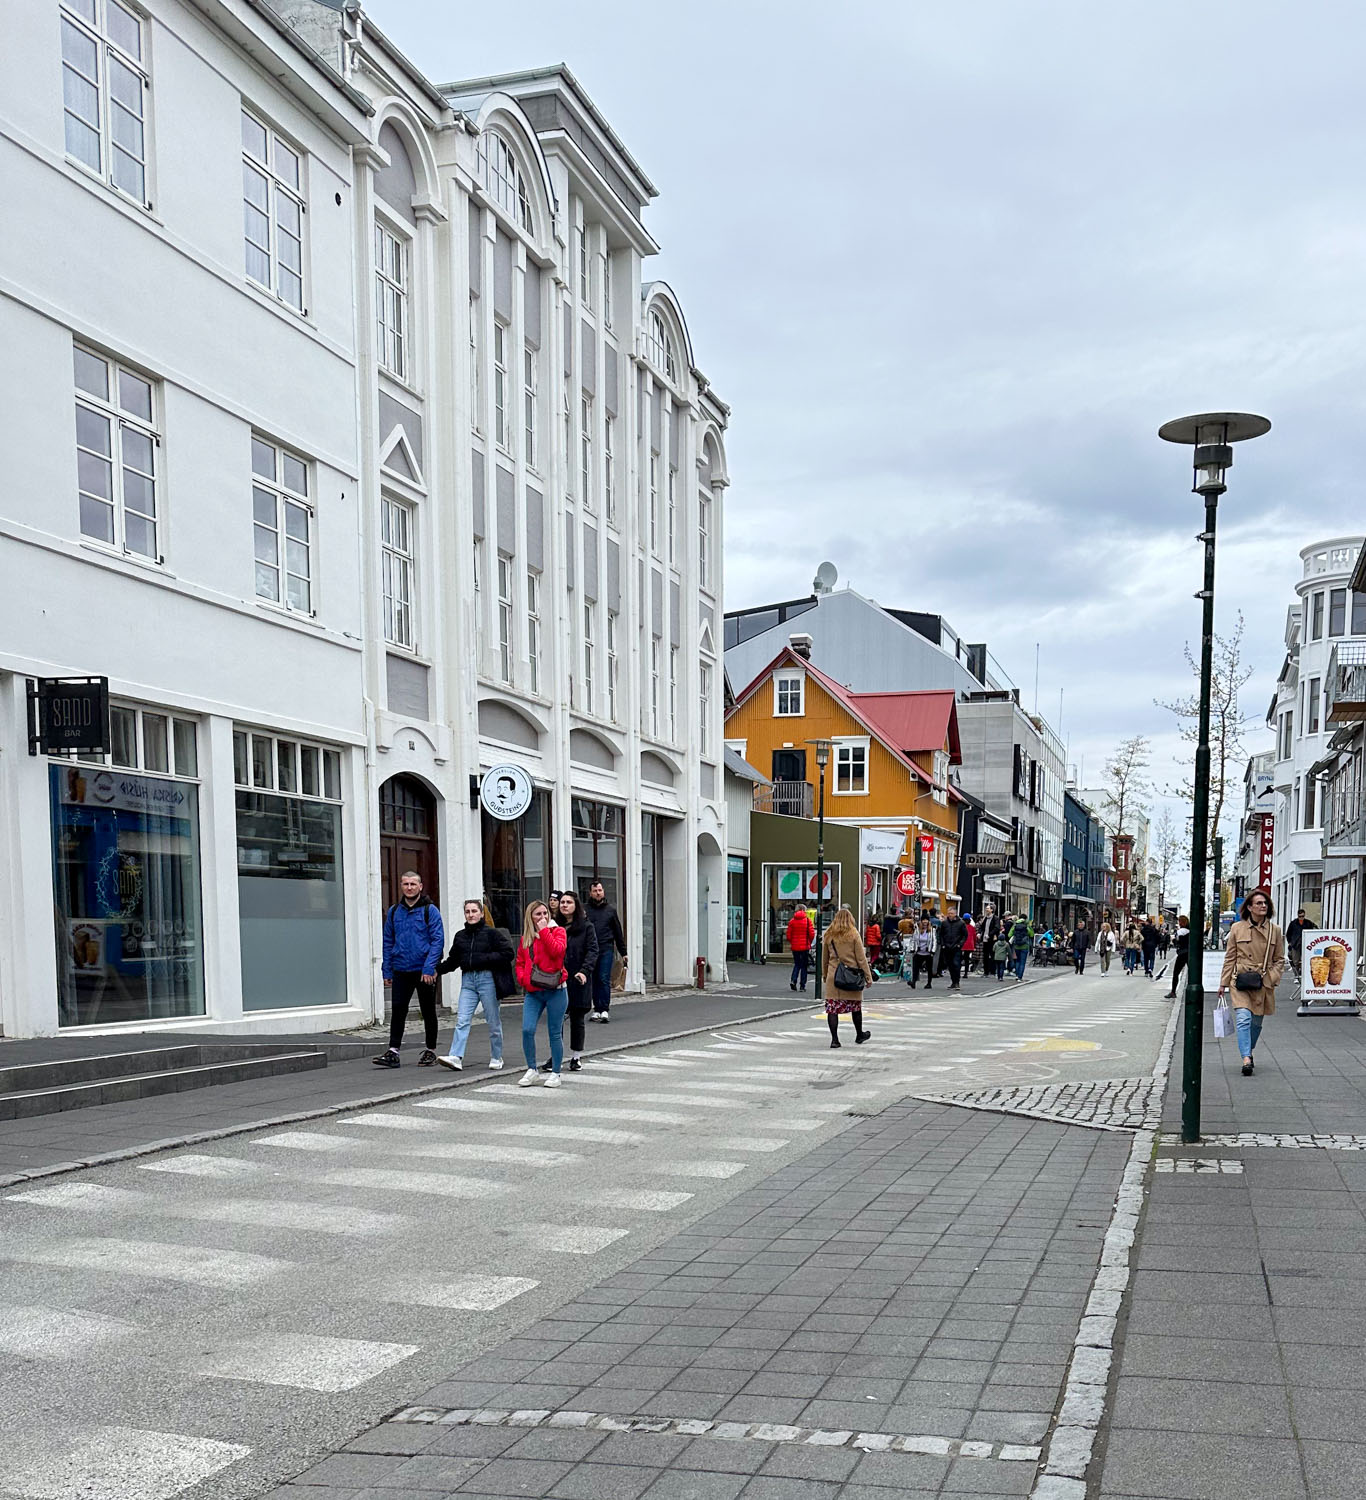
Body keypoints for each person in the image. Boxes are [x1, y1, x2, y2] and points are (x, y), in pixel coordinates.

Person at [374, 871, 445, 1068]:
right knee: (398, 1010)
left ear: (420, 886)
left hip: (424, 971)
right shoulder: (395, 911)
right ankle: (393, 1052)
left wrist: (430, 967)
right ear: (401, 886)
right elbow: (388, 941)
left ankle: (430, 1050)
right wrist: (386, 970)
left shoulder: (430, 911)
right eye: (405, 884)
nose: (409, 887)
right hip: (401, 969)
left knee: (428, 1011)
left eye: (413, 884)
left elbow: (438, 940)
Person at [437, 899, 514, 1071]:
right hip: (468, 981)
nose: (471, 915)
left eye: (474, 911)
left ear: (481, 913)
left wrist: (485, 959)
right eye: (467, 912)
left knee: (493, 1021)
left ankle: (496, 1056)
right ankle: (456, 1056)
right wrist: (437, 970)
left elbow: (508, 953)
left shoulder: (492, 934)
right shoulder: (460, 936)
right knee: (462, 1020)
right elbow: (453, 961)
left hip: (488, 979)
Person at [1218, 887, 1285, 1076]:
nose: (1263, 906)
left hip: (1262, 983)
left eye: (1265, 903)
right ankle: (1246, 1058)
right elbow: (1230, 957)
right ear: (1249, 907)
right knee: (1243, 1019)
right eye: (1258, 903)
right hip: (1239, 981)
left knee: (1255, 1023)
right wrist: (1223, 983)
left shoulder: (1275, 930)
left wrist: (1271, 978)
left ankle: (1249, 1050)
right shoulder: (1237, 928)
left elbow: (1280, 959)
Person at [541, 891, 598, 1074]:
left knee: (577, 1018)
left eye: (568, 902)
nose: (564, 905)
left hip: (577, 977)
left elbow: (592, 951)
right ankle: (555, 1056)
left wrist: (585, 971)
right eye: (562, 902)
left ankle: (576, 1057)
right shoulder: (553, 926)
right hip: (556, 978)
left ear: (576, 905)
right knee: (556, 1020)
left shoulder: (586, 927)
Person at [515, 899, 569, 1087]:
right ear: (530, 917)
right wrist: (524, 980)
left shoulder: (558, 932)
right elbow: (520, 962)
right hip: (534, 991)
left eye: (545, 913)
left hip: (556, 990)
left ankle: (556, 1073)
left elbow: (557, 952)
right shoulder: (526, 938)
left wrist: (545, 930)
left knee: (554, 1032)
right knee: (527, 1029)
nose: (543, 917)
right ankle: (531, 1069)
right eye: (538, 914)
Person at [821, 906, 873, 1047]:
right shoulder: (853, 934)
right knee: (855, 1007)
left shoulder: (828, 934)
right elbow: (861, 958)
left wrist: (825, 975)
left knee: (832, 1009)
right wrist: (868, 977)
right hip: (851, 976)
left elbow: (824, 958)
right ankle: (859, 1034)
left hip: (834, 976)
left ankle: (835, 1040)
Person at [585, 879, 627, 1022]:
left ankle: (604, 1009)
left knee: (603, 978)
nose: (598, 893)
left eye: (600, 890)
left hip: (606, 948)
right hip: (590, 950)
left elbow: (618, 932)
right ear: (590, 893)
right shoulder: (585, 911)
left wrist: (624, 952)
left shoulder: (610, 910)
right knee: (594, 979)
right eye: (595, 891)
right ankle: (596, 1009)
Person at [786, 904, 816, 991]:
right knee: (804, 966)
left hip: (795, 947)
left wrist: (793, 941)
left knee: (797, 964)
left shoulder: (792, 921)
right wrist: (809, 942)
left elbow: (788, 935)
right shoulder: (807, 921)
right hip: (805, 947)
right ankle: (802, 986)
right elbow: (811, 934)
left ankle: (793, 980)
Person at [939, 905, 967, 992]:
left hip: (956, 947)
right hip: (947, 947)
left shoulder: (961, 923)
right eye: (948, 913)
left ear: (955, 914)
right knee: (950, 965)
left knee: (956, 964)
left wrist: (960, 944)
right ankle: (953, 982)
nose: (949, 915)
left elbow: (964, 935)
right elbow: (941, 934)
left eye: (951, 913)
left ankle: (957, 982)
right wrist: (943, 944)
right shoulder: (944, 923)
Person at [1164, 914, 1191, 998]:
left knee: (1176, 973)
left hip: (1182, 953)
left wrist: (1175, 941)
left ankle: (1173, 991)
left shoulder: (1180, 931)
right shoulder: (1190, 931)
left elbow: (1177, 942)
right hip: (1189, 953)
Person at [1285, 907, 1313, 980]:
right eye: (1300, 916)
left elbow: (1313, 930)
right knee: (1296, 961)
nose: (1301, 918)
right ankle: (1296, 976)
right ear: (1297, 916)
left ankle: (1305, 976)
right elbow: (1288, 933)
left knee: (1306, 960)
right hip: (1295, 944)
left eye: (1303, 916)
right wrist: (1290, 942)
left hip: (1305, 944)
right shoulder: (1293, 923)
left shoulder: (1308, 923)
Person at [909, 918, 936, 989]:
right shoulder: (917, 930)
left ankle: (929, 983)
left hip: (928, 953)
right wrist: (912, 948)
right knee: (915, 968)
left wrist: (933, 950)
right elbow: (913, 940)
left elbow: (934, 941)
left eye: (926, 920)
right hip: (919, 952)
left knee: (929, 969)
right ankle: (913, 982)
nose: (925, 922)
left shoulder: (932, 930)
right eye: (923, 920)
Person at [1008, 913, 1032, 982]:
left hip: (1016, 946)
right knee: (1022, 962)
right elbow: (1031, 934)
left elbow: (1009, 934)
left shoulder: (1015, 925)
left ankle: (1017, 975)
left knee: (1017, 961)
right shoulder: (1027, 925)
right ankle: (1020, 977)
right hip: (1024, 946)